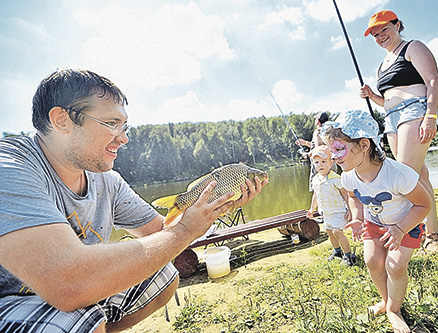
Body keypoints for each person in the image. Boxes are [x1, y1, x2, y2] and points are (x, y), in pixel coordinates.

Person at [0, 68, 266, 332]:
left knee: (162, 276)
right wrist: (185, 231)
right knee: (77, 323)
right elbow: (67, 283)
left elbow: (162, 233)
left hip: (66, 293)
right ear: (62, 120)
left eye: (124, 126)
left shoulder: (106, 180)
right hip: (12, 301)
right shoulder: (9, 168)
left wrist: (210, 208)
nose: (124, 138)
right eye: (112, 124)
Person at [321, 110, 431, 333]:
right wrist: (357, 218)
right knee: (372, 261)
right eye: (332, 151)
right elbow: (354, 197)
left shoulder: (398, 174)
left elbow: (424, 205)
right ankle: (386, 300)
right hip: (374, 223)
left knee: (396, 266)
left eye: (339, 149)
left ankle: (395, 310)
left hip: (405, 224)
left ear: (364, 145)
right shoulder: (348, 174)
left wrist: (399, 229)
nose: (334, 156)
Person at [359, 10, 438, 252]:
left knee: (406, 177)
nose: (380, 36)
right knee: (419, 176)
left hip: (414, 111)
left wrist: (431, 115)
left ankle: (420, 236)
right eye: (375, 34)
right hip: (391, 119)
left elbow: (432, 80)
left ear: (397, 25)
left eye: (384, 29)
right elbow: (387, 99)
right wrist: (372, 96)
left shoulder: (413, 47)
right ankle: (434, 233)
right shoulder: (382, 64)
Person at [306, 145, 355, 266]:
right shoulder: (316, 179)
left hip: (338, 210)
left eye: (323, 162)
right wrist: (312, 209)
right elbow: (315, 195)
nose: (320, 165)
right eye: (317, 162)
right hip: (325, 212)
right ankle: (337, 251)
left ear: (331, 162)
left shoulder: (335, 178)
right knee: (329, 231)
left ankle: (348, 255)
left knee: (337, 231)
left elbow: (345, 194)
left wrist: (350, 209)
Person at [295, 111, 330, 192]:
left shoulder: (317, 132)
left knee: (318, 191)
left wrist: (306, 154)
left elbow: (319, 150)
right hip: (330, 163)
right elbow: (321, 146)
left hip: (320, 165)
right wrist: (305, 143)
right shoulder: (329, 131)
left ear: (317, 121)